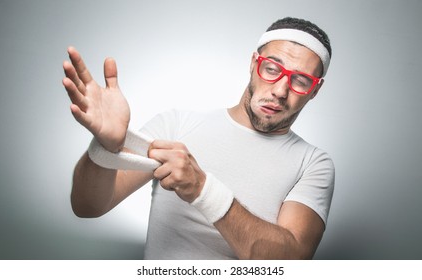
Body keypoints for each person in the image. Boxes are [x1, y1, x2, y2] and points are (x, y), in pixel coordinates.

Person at [62, 17, 335, 260]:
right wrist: (105, 149)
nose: (280, 90)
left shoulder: (312, 163)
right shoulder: (178, 124)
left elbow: (291, 263)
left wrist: (204, 190)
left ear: (315, 90)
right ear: (253, 63)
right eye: (272, 69)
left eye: (300, 80)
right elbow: (87, 207)